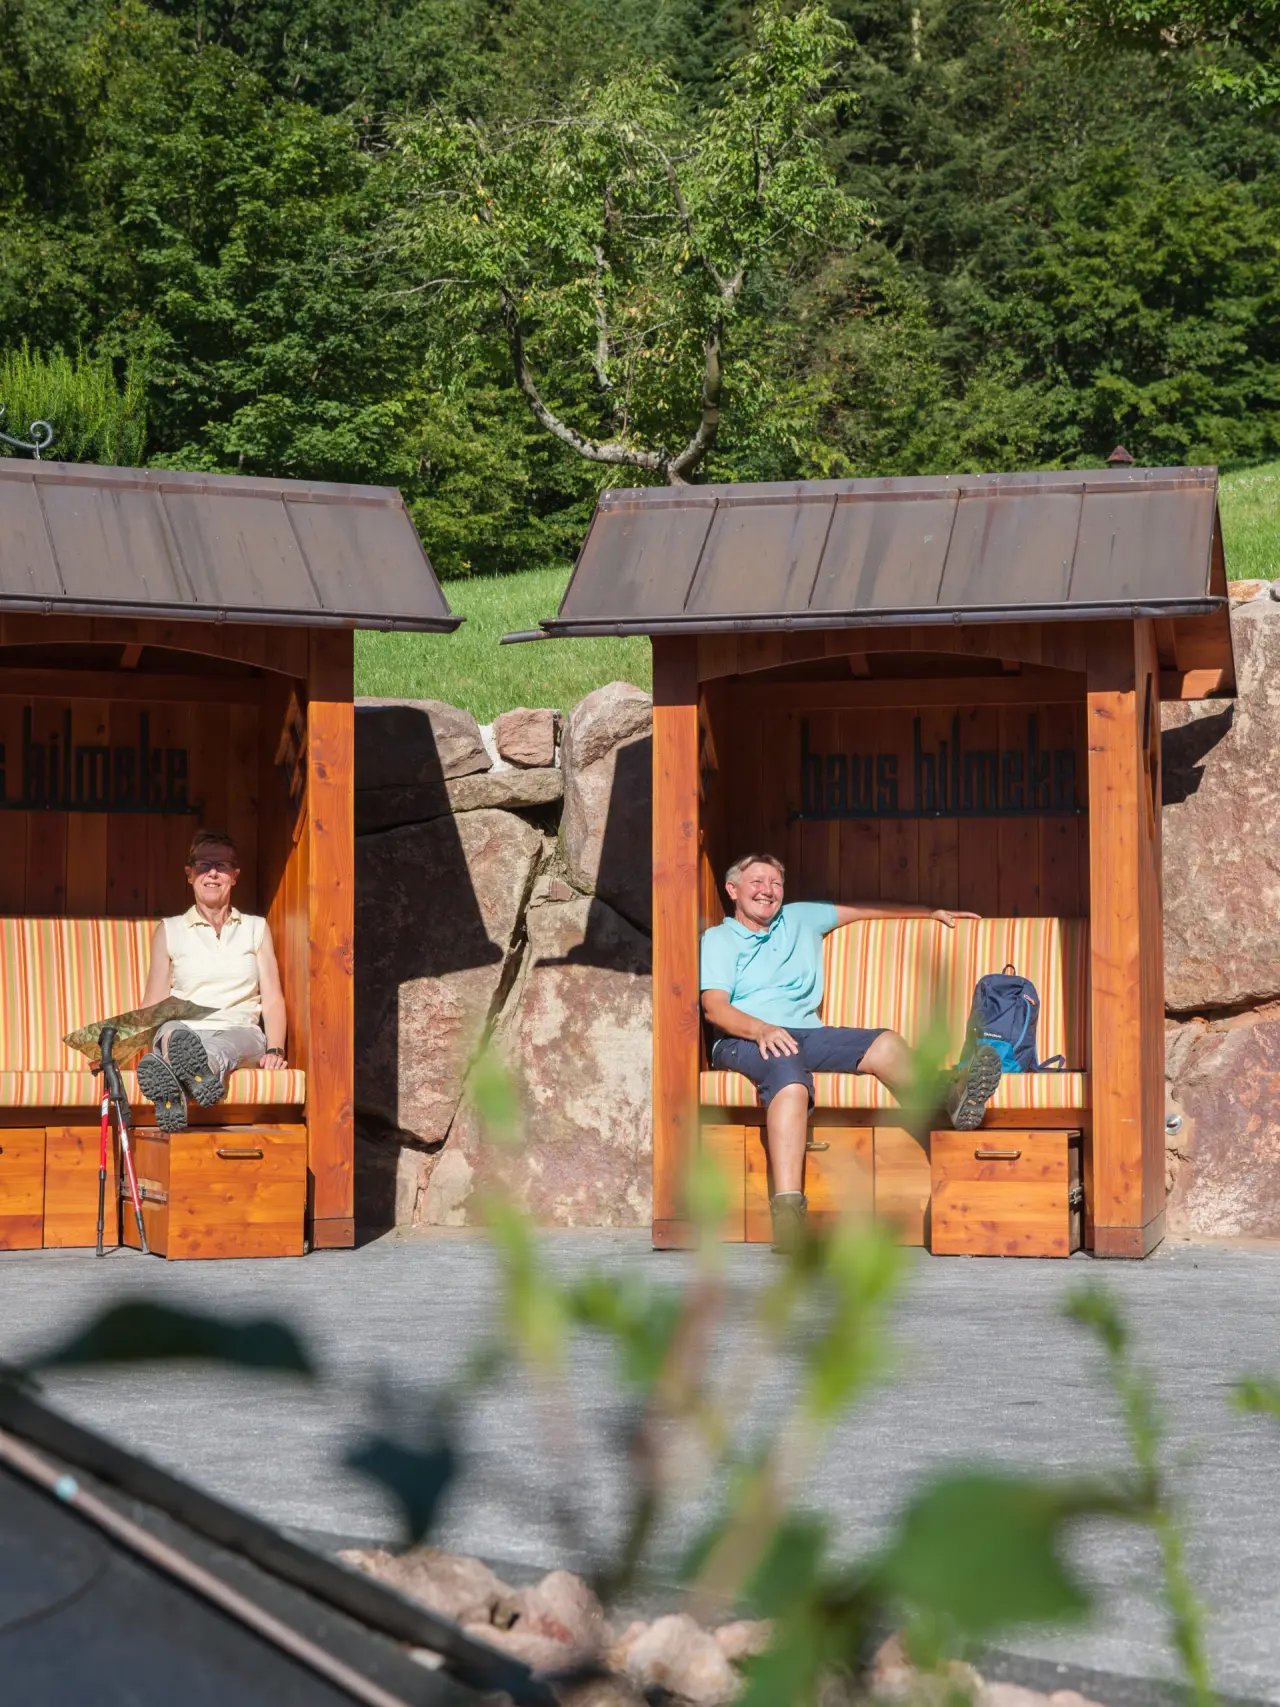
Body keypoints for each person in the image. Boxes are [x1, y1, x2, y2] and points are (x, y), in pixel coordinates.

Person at [700, 852, 1002, 1252]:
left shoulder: (801, 917)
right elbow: (715, 1008)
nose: (767, 891)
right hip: (742, 1038)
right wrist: (761, 1029)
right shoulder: (720, 939)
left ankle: (952, 1096)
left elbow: (864, 910)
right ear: (732, 890)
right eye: (756, 882)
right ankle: (789, 1218)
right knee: (790, 1080)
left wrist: (929, 911)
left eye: (775, 883)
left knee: (886, 1043)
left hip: (806, 1032)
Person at [135, 829, 288, 1131]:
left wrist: (275, 1049)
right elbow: (153, 1002)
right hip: (185, 1029)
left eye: (222, 867)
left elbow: (272, 999)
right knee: (171, 1030)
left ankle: (183, 1078)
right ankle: (185, 1073)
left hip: (240, 1031)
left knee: (228, 1043)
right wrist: (112, 1050)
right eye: (204, 866)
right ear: (190, 874)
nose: (212, 873)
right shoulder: (171, 929)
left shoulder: (256, 928)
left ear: (235, 875)